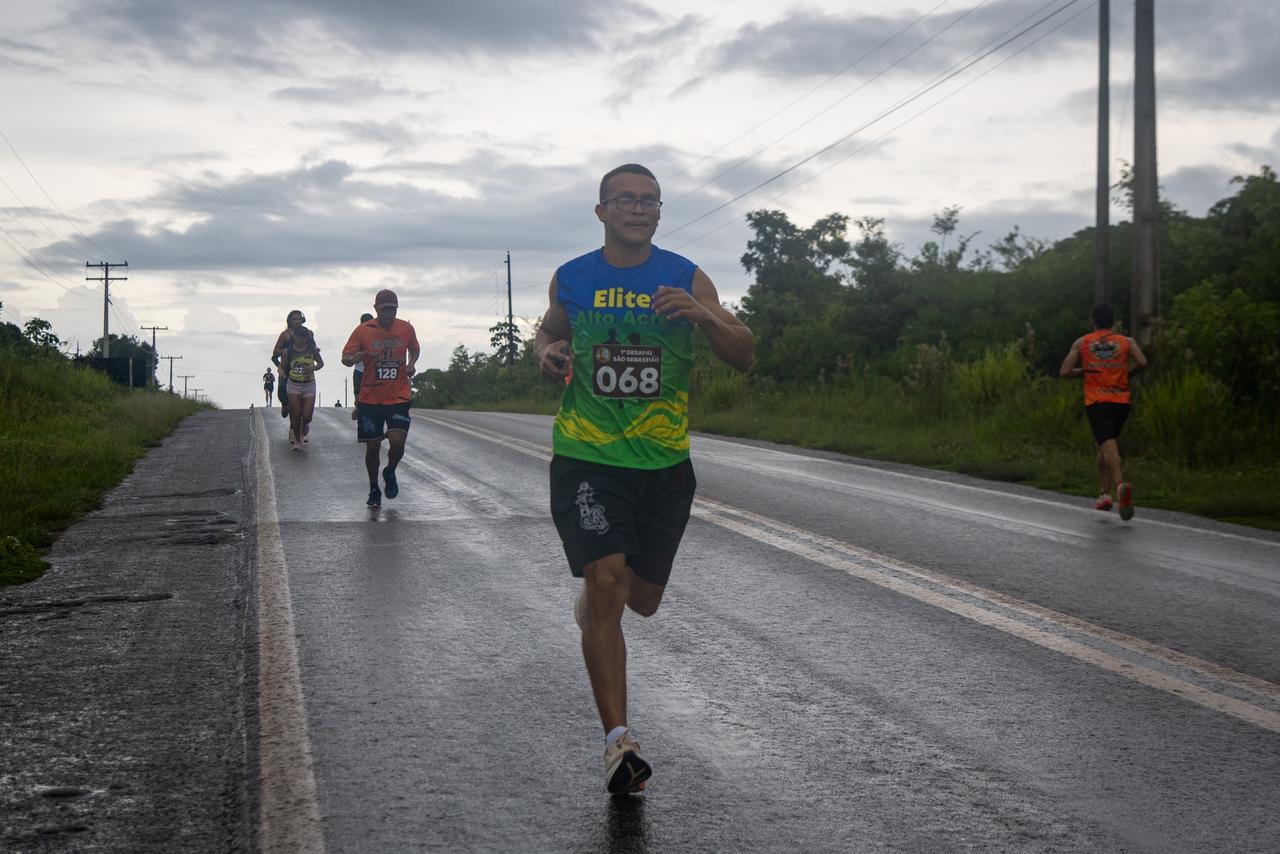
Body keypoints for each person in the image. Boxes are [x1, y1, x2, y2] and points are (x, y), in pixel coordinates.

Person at [534, 163, 754, 795]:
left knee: (642, 599)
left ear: (659, 212)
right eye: (626, 200)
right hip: (588, 453)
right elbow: (549, 332)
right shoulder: (573, 277)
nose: (639, 209)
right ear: (602, 211)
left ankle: (596, 603)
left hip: (663, 464)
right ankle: (618, 744)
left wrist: (704, 316)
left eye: (650, 201)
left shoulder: (685, 276)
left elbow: (743, 352)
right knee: (606, 578)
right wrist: (545, 353)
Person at [1059, 303, 1149, 520]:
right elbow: (1143, 362)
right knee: (1104, 446)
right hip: (1121, 402)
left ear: (1093, 321)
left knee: (1109, 445)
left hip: (1098, 402)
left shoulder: (1083, 343)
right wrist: (1127, 375)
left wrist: (1083, 371)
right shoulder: (1126, 342)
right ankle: (1104, 495)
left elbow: (1064, 372)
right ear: (1113, 321)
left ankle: (1120, 486)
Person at [342, 290, 419, 507]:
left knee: (397, 441)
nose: (388, 314)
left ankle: (391, 470)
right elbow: (345, 358)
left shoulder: (406, 328)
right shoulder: (363, 330)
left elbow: (414, 349)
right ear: (376, 309)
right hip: (370, 398)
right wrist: (353, 358)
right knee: (373, 447)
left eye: (392, 310)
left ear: (397, 309)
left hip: (398, 395)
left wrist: (411, 363)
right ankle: (374, 488)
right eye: (384, 310)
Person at [279, 326, 324, 451]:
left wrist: (313, 368)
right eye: (298, 336)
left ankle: (304, 425)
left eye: (303, 337)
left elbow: (321, 363)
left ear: (306, 338)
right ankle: (298, 440)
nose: (301, 339)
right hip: (293, 384)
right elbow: (281, 366)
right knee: (296, 413)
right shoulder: (288, 351)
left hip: (309, 384)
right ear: (294, 337)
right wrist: (282, 372)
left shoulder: (312, 350)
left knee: (307, 415)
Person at [271, 310, 307, 420]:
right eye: (294, 319)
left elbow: (313, 348)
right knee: (284, 395)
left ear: (302, 320)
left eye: (299, 319)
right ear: (289, 321)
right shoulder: (285, 335)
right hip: (286, 369)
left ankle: (295, 427)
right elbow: (275, 354)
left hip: (302, 369)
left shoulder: (307, 333)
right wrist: (287, 352)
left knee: (299, 400)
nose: (297, 321)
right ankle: (284, 405)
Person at [351, 312, 374, 421]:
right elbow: (349, 352)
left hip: (373, 371)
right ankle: (358, 407)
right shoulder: (358, 335)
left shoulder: (377, 335)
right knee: (358, 397)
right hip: (360, 371)